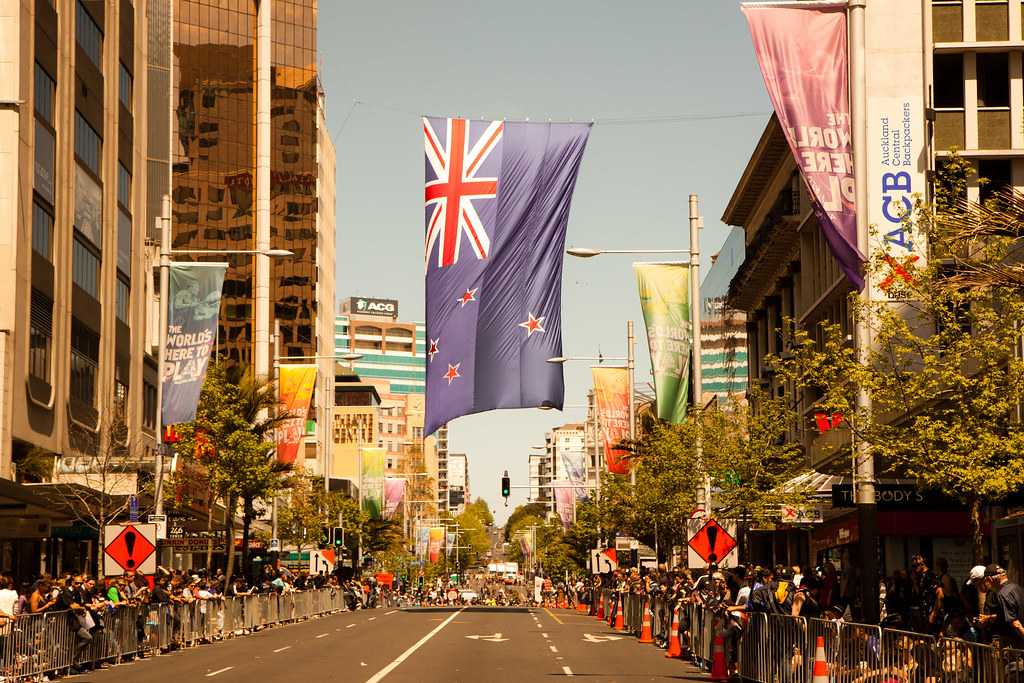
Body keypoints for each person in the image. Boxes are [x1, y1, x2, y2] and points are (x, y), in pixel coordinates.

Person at [986, 563, 1024, 649]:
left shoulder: (1003, 594)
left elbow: (1015, 623)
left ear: (990, 579)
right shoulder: (1017, 587)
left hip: (1015, 645)